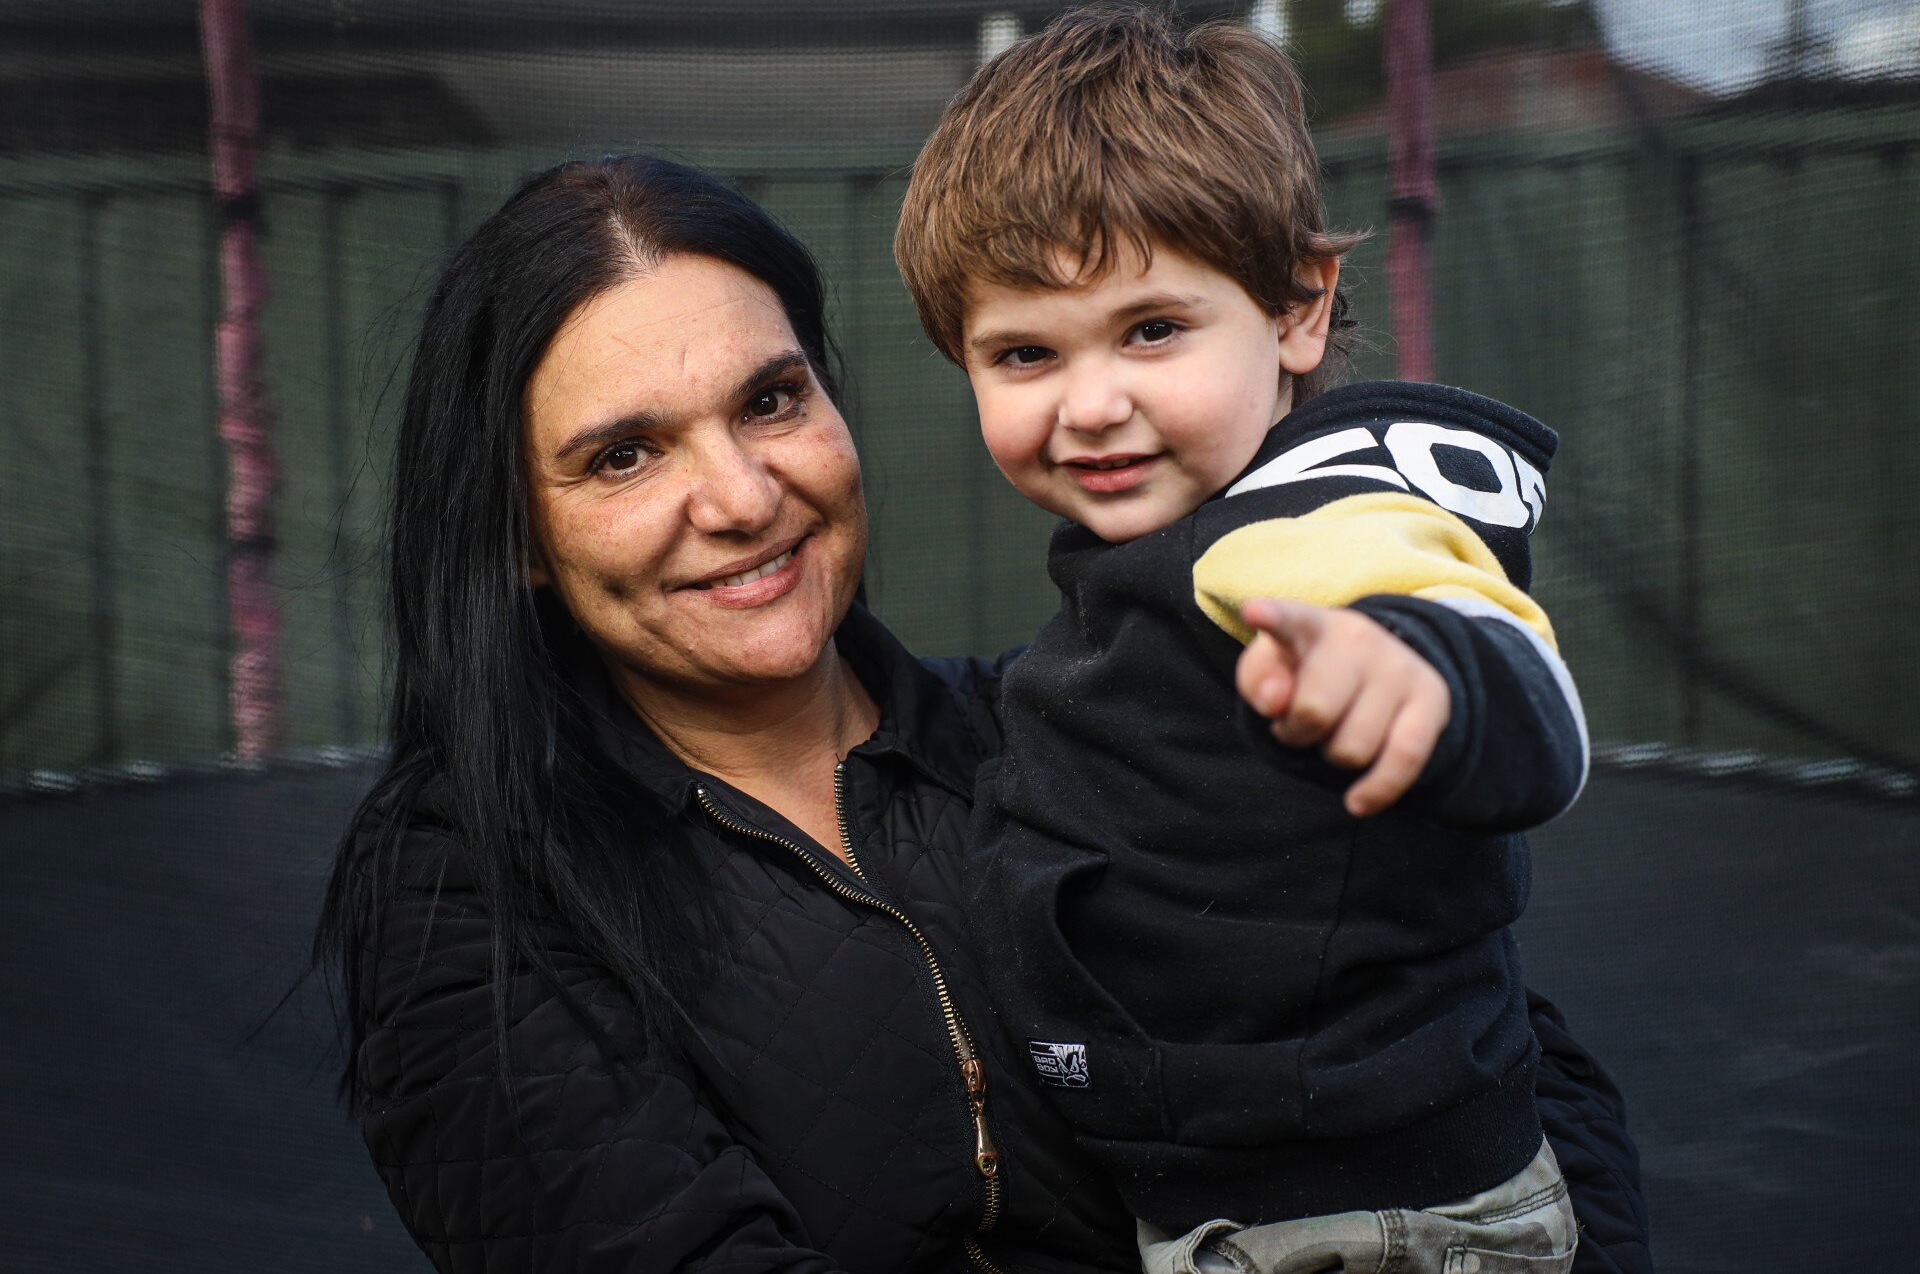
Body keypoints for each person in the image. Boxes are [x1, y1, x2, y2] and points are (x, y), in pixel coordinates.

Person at [318, 152, 1649, 1273]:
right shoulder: (467, 884)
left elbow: (1502, 1058)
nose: (736, 497)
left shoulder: (1064, 730)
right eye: (624, 454)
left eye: (770, 400)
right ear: (518, 537)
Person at [892, 7, 1624, 1274]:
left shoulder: (1308, 525)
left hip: (1373, 1223)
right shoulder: (1160, 555)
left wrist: (1418, 676)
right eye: (1024, 353)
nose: (1091, 401)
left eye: (1152, 329)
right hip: (1255, 1200)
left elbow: (1516, 687)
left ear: (1295, 309)